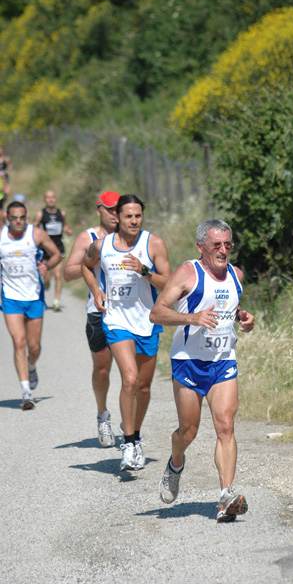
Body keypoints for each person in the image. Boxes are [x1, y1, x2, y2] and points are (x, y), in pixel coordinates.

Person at [149, 219, 255, 522]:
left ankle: (225, 496)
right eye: (216, 245)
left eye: (227, 245)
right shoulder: (188, 273)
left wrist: (245, 320)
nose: (223, 251)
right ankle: (175, 463)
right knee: (189, 431)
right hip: (188, 361)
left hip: (223, 360)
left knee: (225, 424)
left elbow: (229, 309)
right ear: (201, 247)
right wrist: (192, 318)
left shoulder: (236, 275)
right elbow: (157, 313)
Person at [82, 194, 172, 471]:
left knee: (143, 387)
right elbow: (86, 266)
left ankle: (135, 432)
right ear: (117, 218)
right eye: (128, 216)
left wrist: (145, 270)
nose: (133, 221)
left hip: (146, 320)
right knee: (130, 379)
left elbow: (169, 283)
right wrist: (96, 290)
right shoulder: (101, 245)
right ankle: (129, 444)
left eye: (138, 216)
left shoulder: (153, 244)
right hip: (116, 320)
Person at [63, 190, 121, 448]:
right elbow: (68, 273)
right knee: (102, 369)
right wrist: (93, 259)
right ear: (99, 210)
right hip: (98, 311)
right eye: (109, 209)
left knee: (134, 376)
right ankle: (103, 416)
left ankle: (130, 426)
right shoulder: (88, 237)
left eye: (118, 209)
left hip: (130, 313)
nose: (114, 214)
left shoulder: (131, 237)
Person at [0, 201, 61, 409]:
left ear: (26, 218)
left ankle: (32, 365)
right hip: (10, 297)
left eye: (22, 218)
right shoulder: (1, 237)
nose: (19, 221)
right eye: (15, 218)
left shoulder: (35, 235)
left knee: (33, 346)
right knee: (19, 341)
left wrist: (47, 266)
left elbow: (56, 255)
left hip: (34, 296)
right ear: (8, 219)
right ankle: (26, 392)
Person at [34, 190, 72, 311]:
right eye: (48, 198)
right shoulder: (41, 214)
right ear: (45, 200)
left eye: (53, 198)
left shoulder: (62, 213)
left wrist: (67, 230)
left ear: (55, 199)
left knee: (57, 274)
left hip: (59, 247)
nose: (51, 200)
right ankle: (46, 284)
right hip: (46, 248)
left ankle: (56, 302)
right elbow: (34, 227)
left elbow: (64, 225)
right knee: (46, 276)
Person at [0, 147, 11, 229]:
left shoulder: (5, 159)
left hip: (4, 179)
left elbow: (10, 165)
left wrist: (8, 170)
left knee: (5, 197)